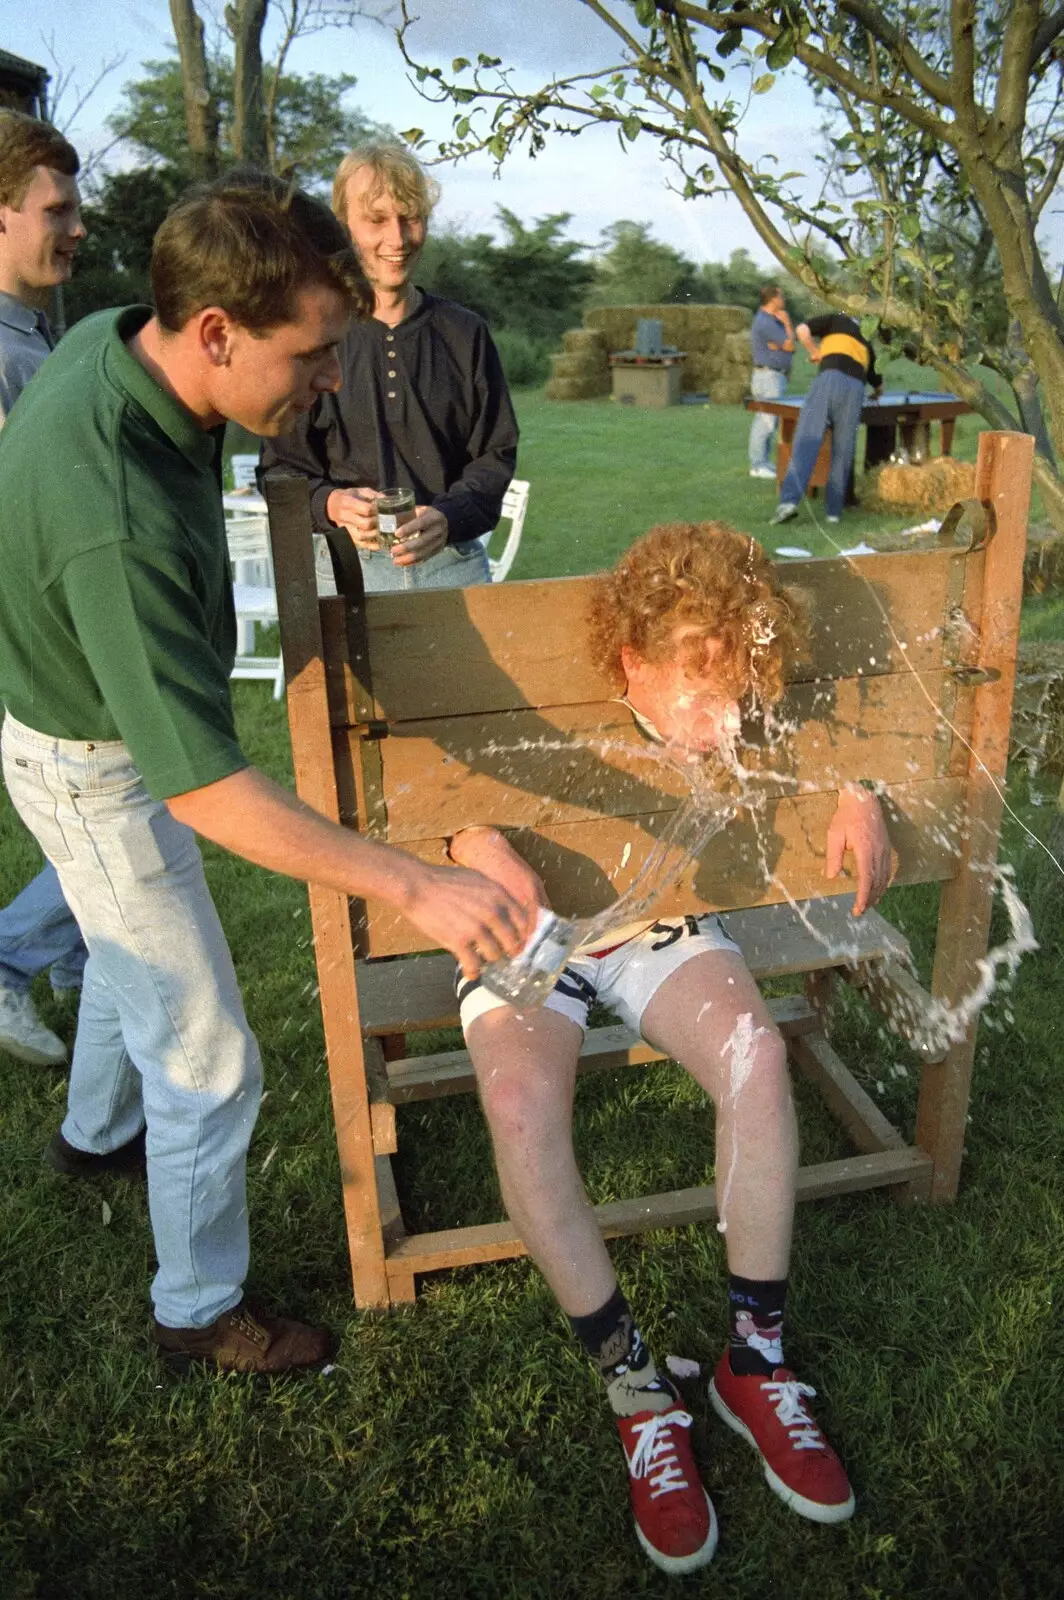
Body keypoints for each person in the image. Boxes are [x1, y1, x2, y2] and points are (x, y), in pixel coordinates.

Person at [0, 171, 533, 1376]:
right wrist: (415, 884)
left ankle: (95, 1138)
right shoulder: (115, 516)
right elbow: (203, 790)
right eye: (311, 355)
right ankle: (196, 1311)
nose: (330, 379)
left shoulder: (111, 341)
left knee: (131, 944)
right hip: (99, 764)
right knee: (208, 1050)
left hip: (93, 723)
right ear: (214, 333)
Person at [447, 522, 893, 1575]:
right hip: (528, 924)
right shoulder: (548, 699)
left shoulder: (745, 703)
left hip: (660, 913)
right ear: (624, 665)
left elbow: (844, 714)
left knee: (753, 1053)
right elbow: (426, 784)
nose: (724, 718)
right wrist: (469, 839)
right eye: (697, 695)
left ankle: (754, 1360)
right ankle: (634, 1384)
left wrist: (860, 780)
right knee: (517, 1106)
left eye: (740, 690)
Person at [261, 141, 517, 593]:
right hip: (343, 571)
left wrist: (449, 516)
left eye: (410, 218)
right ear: (344, 226)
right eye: (376, 220)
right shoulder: (310, 337)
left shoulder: (466, 333)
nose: (396, 240)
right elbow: (279, 469)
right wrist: (333, 503)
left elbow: (494, 458)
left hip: (453, 566)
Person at [0, 110, 89, 1069]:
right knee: (121, 800)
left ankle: (79, 955)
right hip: (37, 632)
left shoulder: (31, 337)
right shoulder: (5, 358)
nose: (74, 228)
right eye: (56, 210)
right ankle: (13, 954)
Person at [770, 312, 881, 527]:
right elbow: (878, 384)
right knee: (844, 449)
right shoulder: (867, 342)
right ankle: (833, 513)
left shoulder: (835, 320)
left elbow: (801, 330)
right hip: (856, 389)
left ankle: (789, 503)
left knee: (807, 440)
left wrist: (815, 352)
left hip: (829, 379)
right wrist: (876, 392)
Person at [748, 284, 794, 480]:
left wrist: (781, 346)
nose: (783, 300)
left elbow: (786, 347)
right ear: (773, 299)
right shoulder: (767, 322)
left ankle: (763, 463)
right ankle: (757, 465)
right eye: (781, 296)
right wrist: (787, 324)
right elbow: (790, 346)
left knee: (769, 420)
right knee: (765, 421)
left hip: (773, 376)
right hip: (769, 377)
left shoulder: (769, 320)